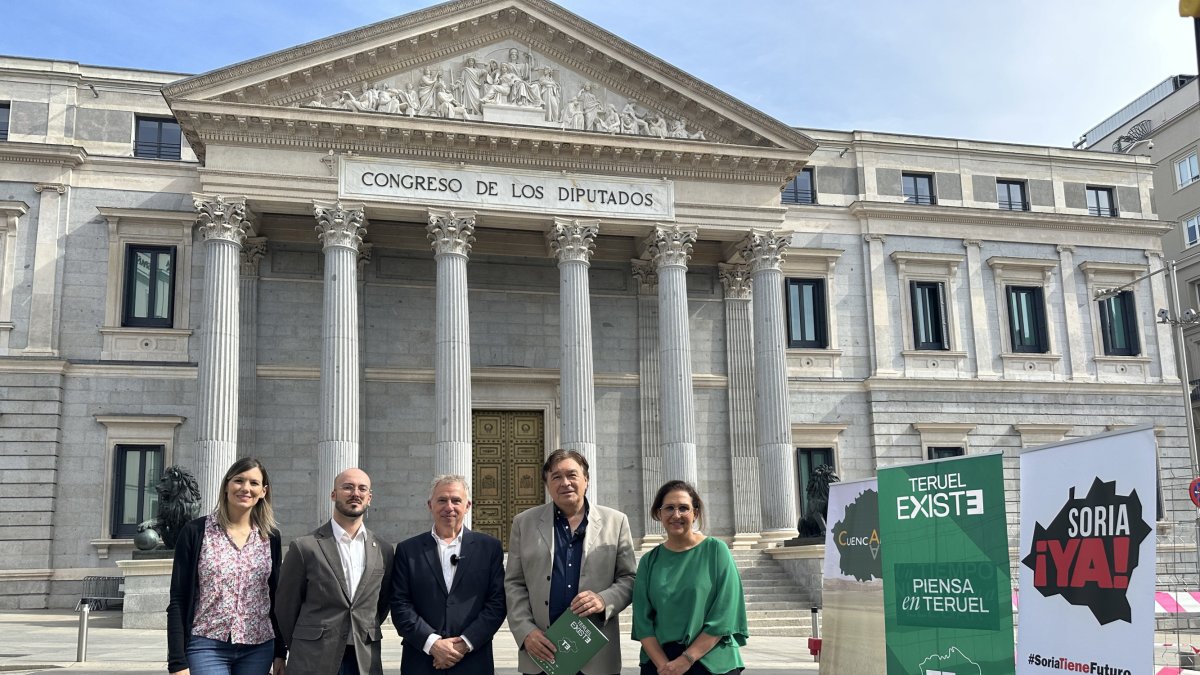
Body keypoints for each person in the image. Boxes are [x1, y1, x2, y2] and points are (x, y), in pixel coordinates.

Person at [505, 449, 637, 675]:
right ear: (547, 484)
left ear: (586, 480)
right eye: (556, 477)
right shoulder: (523, 523)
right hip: (541, 652)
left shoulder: (616, 521)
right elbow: (514, 584)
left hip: (596, 656)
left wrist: (604, 600)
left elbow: (629, 578)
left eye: (572, 475)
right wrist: (526, 632)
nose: (565, 482)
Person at [166, 457, 286, 675]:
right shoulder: (196, 532)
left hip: (258, 647)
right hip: (206, 644)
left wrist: (280, 652)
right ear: (226, 486)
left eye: (254, 483)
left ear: (263, 492)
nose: (245, 488)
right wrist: (177, 661)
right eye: (239, 480)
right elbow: (178, 599)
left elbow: (275, 596)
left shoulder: (270, 538)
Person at [275, 468, 394, 675]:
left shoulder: (383, 549)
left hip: (363, 656)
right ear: (333, 494)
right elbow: (286, 606)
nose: (355, 493)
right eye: (347, 487)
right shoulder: (305, 547)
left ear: (369, 498)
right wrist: (304, 640)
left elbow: (381, 603)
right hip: (314, 656)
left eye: (361, 488)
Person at [390, 475, 506, 674]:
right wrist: (433, 643)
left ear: (468, 505)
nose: (449, 506)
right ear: (430, 505)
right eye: (442, 500)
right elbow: (400, 604)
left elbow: (497, 603)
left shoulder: (489, 548)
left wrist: (464, 644)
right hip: (421, 661)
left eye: (456, 500)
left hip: (473, 660)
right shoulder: (408, 550)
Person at [632, 481, 747, 675]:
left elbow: (725, 614)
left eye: (683, 508)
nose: (676, 515)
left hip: (711, 659)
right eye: (669, 508)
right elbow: (643, 623)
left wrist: (686, 659)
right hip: (660, 663)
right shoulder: (648, 561)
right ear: (659, 514)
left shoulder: (716, 551)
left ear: (695, 513)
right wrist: (664, 666)